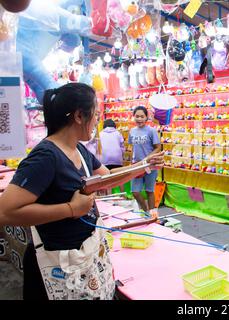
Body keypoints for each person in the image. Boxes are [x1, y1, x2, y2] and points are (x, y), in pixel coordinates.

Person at [0, 83, 164, 300]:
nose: (97, 120)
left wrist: (144, 165)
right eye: (95, 114)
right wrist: (70, 209)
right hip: (56, 263)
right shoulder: (46, 156)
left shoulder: (78, 148)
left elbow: (106, 179)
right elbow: (5, 212)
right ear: (79, 115)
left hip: (83, 258)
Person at [129, 105, 161, 213]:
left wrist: (148, 159)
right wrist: (131, 163)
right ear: (133, 117)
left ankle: (152, 215)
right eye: (137, 116)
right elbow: (133, 148)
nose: (139, 119)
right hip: (137, 165)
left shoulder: (151, 131)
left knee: (149, 191)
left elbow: (158, 148)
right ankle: (146, 211)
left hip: (150, 166)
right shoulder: (132, 131)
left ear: (146, 117)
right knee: (135, 192)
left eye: (142, 116)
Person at [99, 119, 125, 193]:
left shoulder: (100, 134)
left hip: (104, 159)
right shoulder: (118, 133)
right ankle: (123, 195)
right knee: (120, 178)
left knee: (107, 179)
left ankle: (108, 197)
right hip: (117, 159)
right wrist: (121, 156)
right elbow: (122, 147)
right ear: (114, 126)